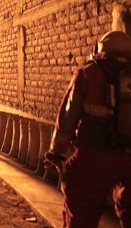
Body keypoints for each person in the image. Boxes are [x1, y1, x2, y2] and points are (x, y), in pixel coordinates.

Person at [45, 31, 131, 227]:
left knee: (81, 211)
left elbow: (67, 116)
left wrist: (57, 151)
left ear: (101, 49)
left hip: (94, 156)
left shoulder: (88, 73)